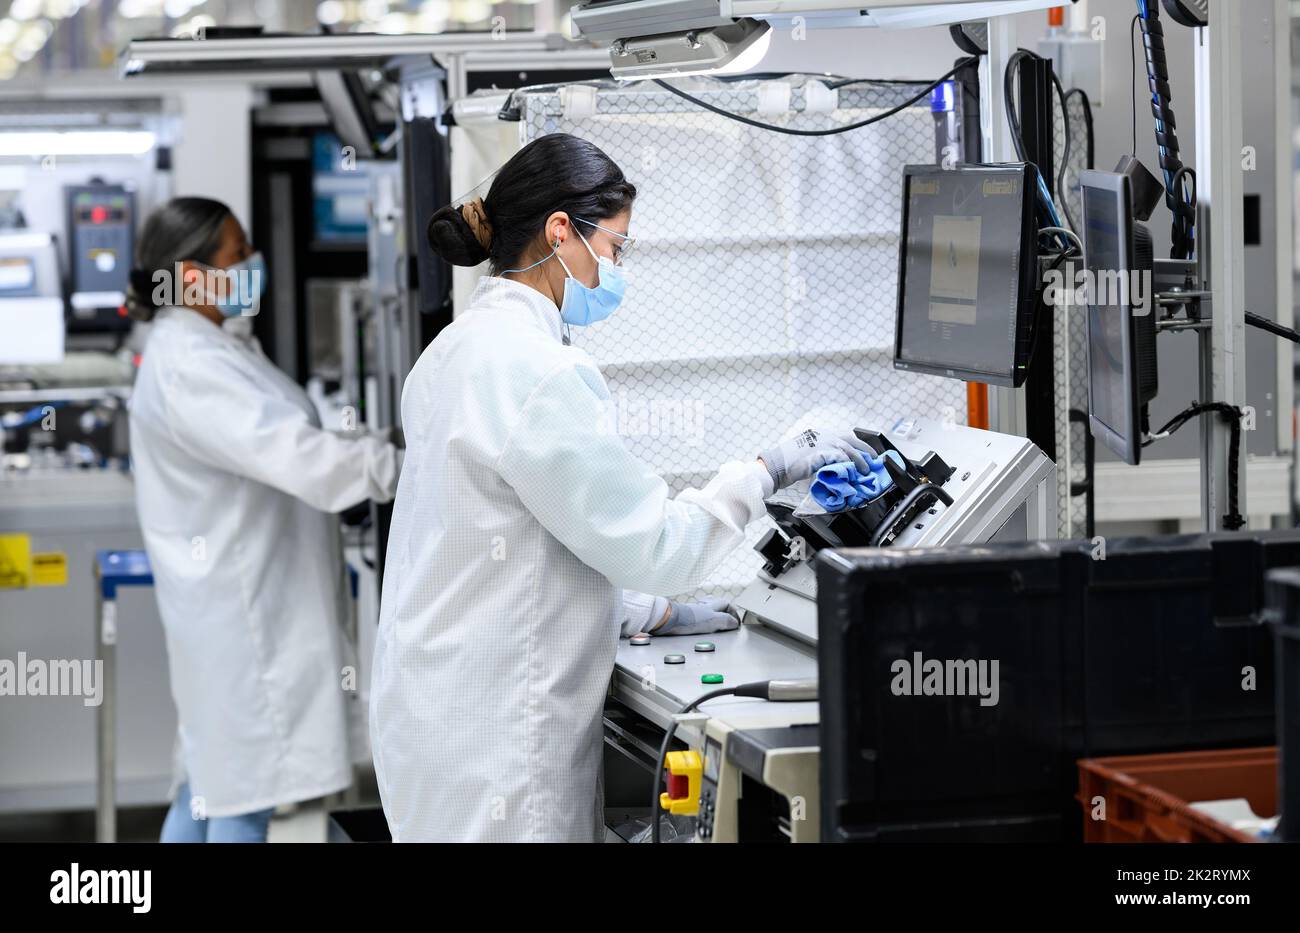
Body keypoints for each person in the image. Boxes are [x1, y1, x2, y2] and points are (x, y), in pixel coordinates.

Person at [369, 133, 870, 842]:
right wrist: (768, 469)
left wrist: (643, 610)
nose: (617, 267)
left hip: (437, 717)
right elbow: (656, 543)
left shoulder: (455, 350)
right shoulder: (536, 372)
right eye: (616, 246)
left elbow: (499, 538)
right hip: (496, 746)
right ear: (559, 232)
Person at [126, 197, 402, 842]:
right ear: (192, 275)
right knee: (244, 798)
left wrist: (374, 442)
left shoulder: (212, 345)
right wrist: (398, 465)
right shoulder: (191, 364)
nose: (253, 261)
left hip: (231, 610)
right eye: (238, 251)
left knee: (210, 788)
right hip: (244, 618)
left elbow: (284, 432)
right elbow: (299, 458)